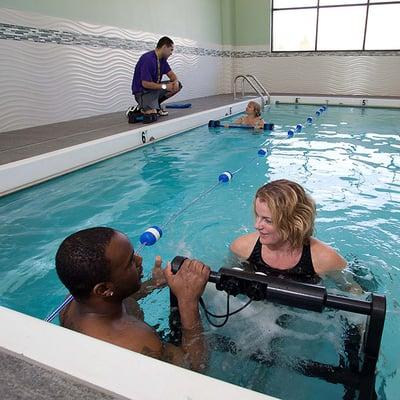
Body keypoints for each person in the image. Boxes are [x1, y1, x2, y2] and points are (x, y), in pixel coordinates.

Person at [55, 227, 210, 371]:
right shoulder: (139, 343)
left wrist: (153, 284)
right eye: (130, 262)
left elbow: (118, 296)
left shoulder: (72, 303)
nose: (139, 260)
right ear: (103, 289)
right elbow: (195, 369)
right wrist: (188, 301)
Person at [230, 179, 355, 287]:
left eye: (267, 220)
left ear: (294, 223)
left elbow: (354, 294)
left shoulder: (325, 259)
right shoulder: (242, 248)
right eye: (258, 216)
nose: (256, 225)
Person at [129, 36, 182, 123]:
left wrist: (175, 82)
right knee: (151, 117)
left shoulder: (162, 60)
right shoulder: (147, 59)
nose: (171, 53)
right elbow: (145, 84)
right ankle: (136, 111)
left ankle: (155, 106)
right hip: (143, 92)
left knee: (178, 85)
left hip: (153, 91)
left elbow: (172, 75)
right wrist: (165, 86)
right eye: (171, 50)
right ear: (164, 47)